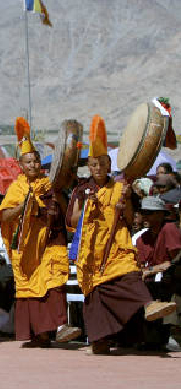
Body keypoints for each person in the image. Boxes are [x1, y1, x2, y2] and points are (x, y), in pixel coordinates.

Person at [67, 115, 177, 354]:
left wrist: (124, 200)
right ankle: (100, 339)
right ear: (89, 166)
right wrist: (89, 205)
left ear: (109, 165)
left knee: (127, 274)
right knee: (95, 295)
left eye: (102, 164)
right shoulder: (82, 190)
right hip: (91, 251)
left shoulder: (119, 187)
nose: (97, 169)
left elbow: (128, 217)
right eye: (93, 165)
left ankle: (148, 304)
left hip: (116, 245)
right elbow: (73, 220)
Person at [0, 117, 81, 347]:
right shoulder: (17, 187)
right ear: (21, 165)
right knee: (32, 289)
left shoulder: (51, 183)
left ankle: (61, 326)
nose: (33, 166)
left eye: (36, 161)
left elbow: (66, 212)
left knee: (54, 281)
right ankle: (40, 334)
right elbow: (4, 216)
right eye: (28, 162)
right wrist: (22, 206)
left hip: (52, 242)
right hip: (28, 247)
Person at [135, 196, 181, 349]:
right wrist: (154, 269)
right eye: (144, 212)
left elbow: (175, 261)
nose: (146, 216)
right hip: (153, 280)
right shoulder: (143, 238)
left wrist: (154, 270)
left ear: (161, 214)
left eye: (151, 212)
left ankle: (169, 336)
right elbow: (140, 268)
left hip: (173, 278)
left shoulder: (169, 229)